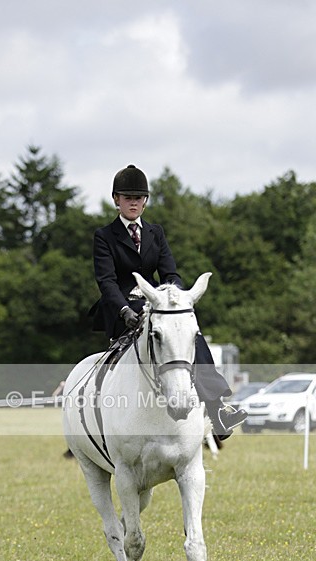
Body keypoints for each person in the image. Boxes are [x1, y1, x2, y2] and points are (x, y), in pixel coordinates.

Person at [89, 164, 247, 439]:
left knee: (188, 330)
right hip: (122, 307)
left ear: (146, 201)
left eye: (139, 198)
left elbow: (170, 273)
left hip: (157, 304)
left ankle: (217, 409)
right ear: (116, 200)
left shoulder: (156, 232)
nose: (133, 203)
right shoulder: (104, 236)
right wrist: (124, 309)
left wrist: (177, 300)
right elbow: (107, 281)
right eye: (128, 198)